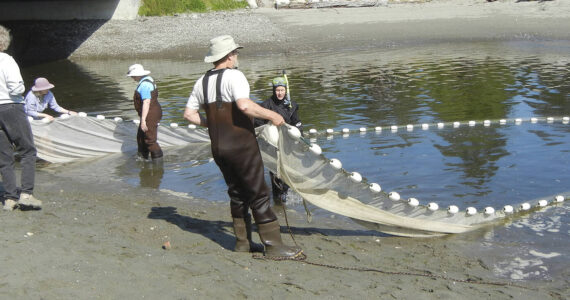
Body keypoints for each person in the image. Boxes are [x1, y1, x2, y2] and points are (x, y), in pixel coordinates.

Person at [183, 35, 302, 258]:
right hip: (241, 146)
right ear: (228, 57)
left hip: (218, 148)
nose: (237, 56)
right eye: (235, 53)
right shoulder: (235, 76)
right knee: (259, 193)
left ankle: (242, 243)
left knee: (236, 194)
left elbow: (189, 114)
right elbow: (244, 105)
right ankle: (274, 246)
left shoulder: (201, 81)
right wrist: (274, 116)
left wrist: (215, 123)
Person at [0, 25, 42, 211]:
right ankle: (26, 194)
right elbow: (16, 87)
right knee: (28, 150)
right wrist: (21, 90)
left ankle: (9, 199)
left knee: (4, 155)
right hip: (11, 106)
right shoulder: (6, 60)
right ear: (4, 41)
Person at [254, 76, 303, 204]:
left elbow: (297, 123)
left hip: (288, 143)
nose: (280, 93)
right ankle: (277, 197)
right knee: (275, 171)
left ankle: (284, 195)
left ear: (286, 90)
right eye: (277, 90)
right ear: (273, 90)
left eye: (282, 90)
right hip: (272, 145)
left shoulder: (292, 105)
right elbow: (257, 123)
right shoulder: (266, 105)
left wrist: (300, 136)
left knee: (288, 169)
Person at [127, 64, 163, 162]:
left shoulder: (144, 85)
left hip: (150, 114)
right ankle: (143, 159)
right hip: (151, 112)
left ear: (138, 75)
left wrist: (143, 121)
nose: (132, 78)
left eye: (133, 76)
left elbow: (146, 102)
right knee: (141, 138)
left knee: (150, 140)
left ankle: (158, 167)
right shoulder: (148, 79)